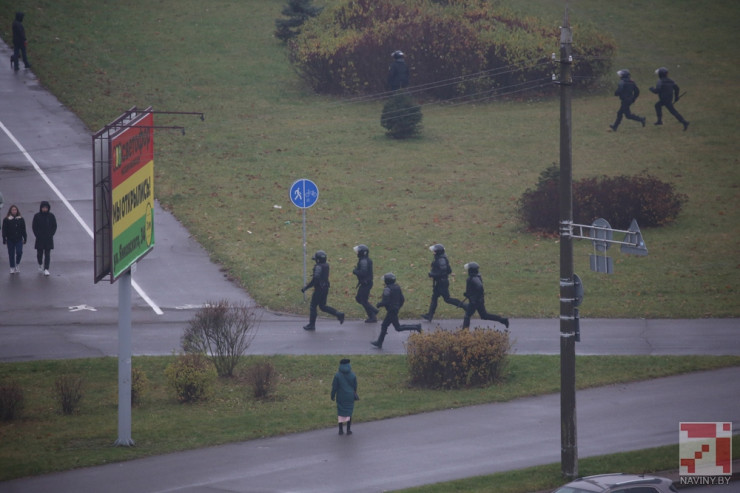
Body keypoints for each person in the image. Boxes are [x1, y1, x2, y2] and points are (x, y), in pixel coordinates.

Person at [371, 273, 421, 349]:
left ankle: (417, 327)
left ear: (387, 281)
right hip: (394, 309)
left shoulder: (387, 289)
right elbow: (402, 299)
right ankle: (379, 342)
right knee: (385, 325)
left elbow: (385, 301)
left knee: (397, 328)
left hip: (391, 310)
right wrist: (398, 307)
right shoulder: (397, 287)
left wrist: (379, 304)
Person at [301, 250, 345, 330]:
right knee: (323, 306)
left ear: (318, 260)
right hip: (325, 288)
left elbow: (315, 280)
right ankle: (339, 314)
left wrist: (306, 288)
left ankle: (311, 325)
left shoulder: (318, 267)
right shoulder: (326, 265)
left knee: (313, 306)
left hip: (319, 289)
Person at [421, 244, 466, 322]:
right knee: (434, 298)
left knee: (447, 299)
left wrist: (432, 274)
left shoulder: (441, 260)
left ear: (438, 252)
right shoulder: (440, 258)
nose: (433, 252)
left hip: (442, 283)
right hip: (440, 282)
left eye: (434, 251)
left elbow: (443, 272)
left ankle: (466, 307)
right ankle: (429, 315)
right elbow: (449, 271)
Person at [461, 262, 509, 330]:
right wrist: (469, 294)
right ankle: (503, 320)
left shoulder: (471, 279)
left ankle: (464, 332)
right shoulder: (477, 277)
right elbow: (475, 289)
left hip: (474, 301)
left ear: (471, 270)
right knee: (484, 315)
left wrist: (472, 297)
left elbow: (479, 288)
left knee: (467, 315)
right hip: (478, 300)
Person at [352, 244, 379, 323]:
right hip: (365, 283)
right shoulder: (364, 260)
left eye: (358, 252)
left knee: (363, 300)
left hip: (366, 284)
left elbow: (363, 273)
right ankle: (373, 311)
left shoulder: (364, 261)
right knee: (359, 298)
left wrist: (355, 271)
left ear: (362, 253)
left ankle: (373, 315)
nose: (357, 253)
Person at [330, 358, 357, 435]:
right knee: (349, 412)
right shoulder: (353, 375)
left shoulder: (337, 375)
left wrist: (332, 395)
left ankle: (340, 430)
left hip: (341, 396)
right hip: (350, 396)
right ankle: (348, 429)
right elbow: (355, 386)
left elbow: (334, 387)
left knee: (341, 412)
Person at [32, 201, 56, 276]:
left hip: (48, 238)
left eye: (46, 208)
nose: (45, 209)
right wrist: (37, 235)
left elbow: (54, 226)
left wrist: (51, 234)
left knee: (47, 254)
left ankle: (46, 268)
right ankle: (40, 263)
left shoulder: (51, 216)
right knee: (39, 253)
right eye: (43, 208)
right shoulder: (37, 216)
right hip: (40, 238)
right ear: (41, 208)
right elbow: (34, 226)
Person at [2, 205, 27, 274]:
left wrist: (25, 238)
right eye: (13, 210)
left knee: (19, 252)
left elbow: (23, 229)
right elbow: (4, 230)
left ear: (17, 211)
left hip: (19, 239)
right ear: (10, 211)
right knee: (11, 254)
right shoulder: (6, 219)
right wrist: (4, 238)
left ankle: (17, 263)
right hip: (10, 239)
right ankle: (12, 267)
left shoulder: (21, 219)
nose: (14, 211)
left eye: (15, 210)